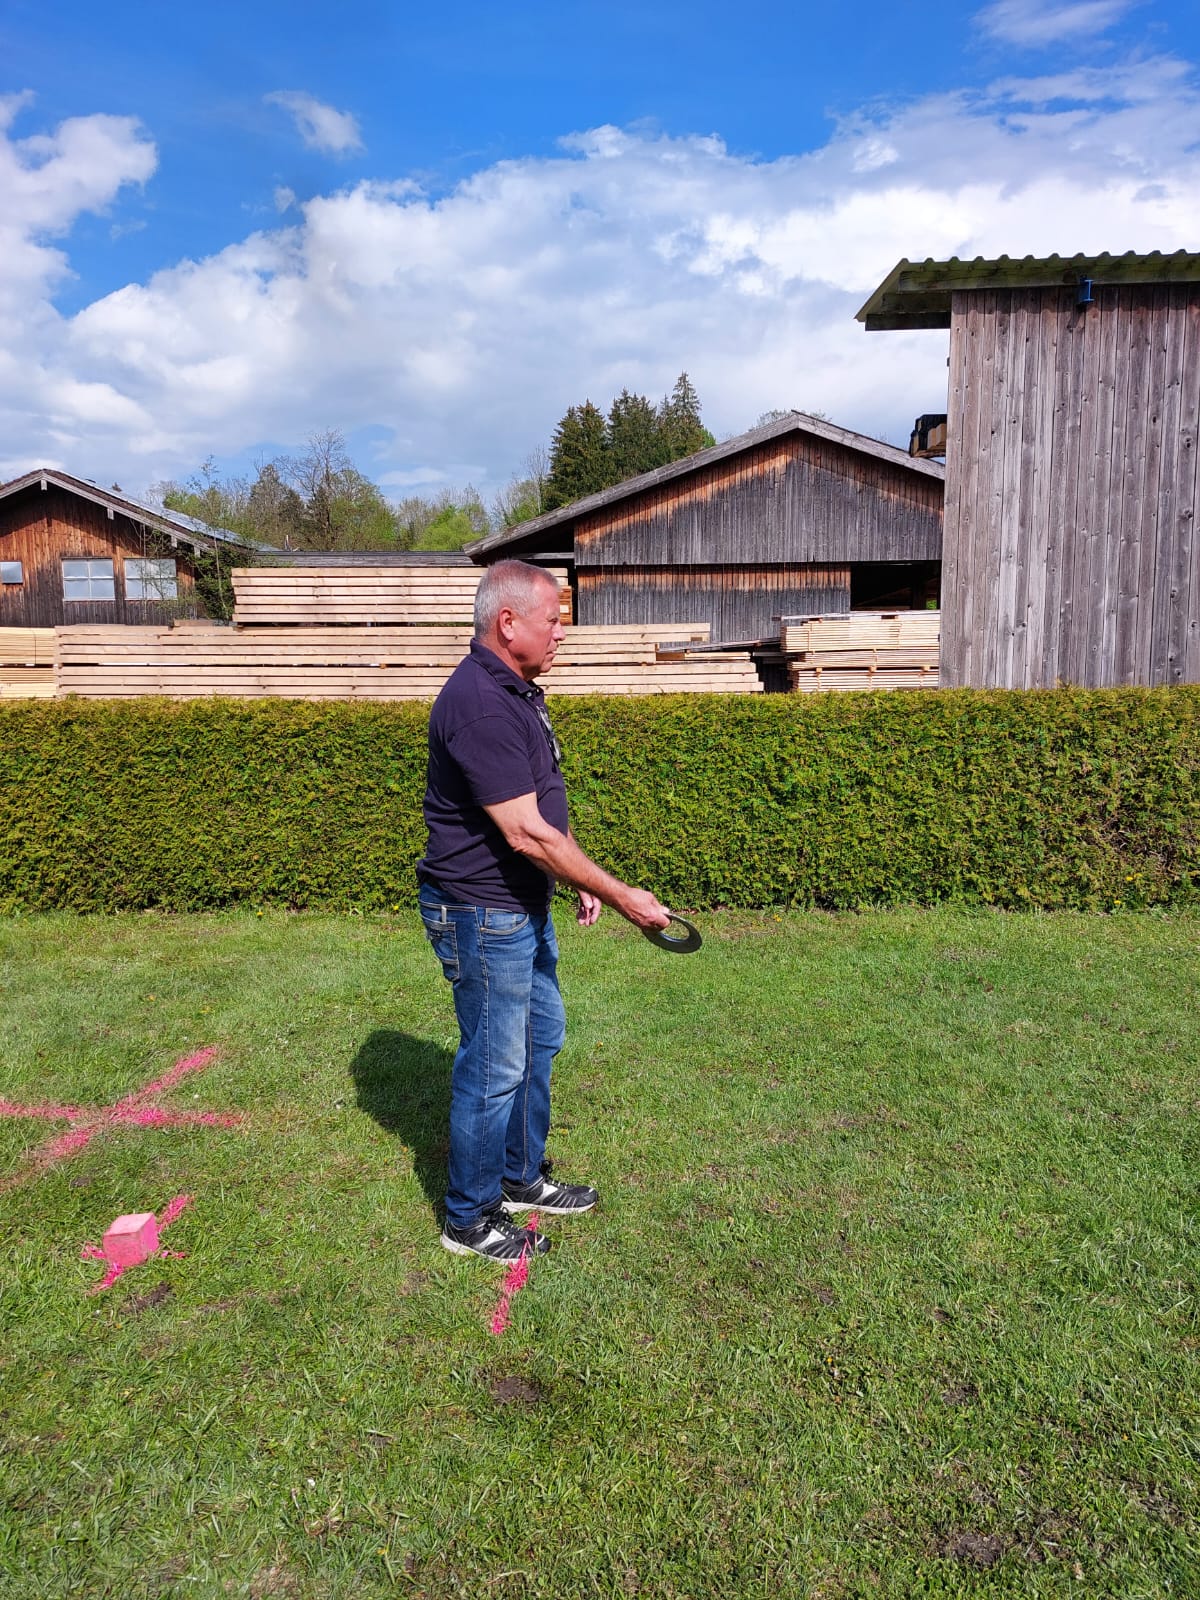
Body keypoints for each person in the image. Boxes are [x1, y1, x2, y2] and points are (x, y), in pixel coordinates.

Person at [417, 559, 671, 1261]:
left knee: (538, 1040)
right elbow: (525, 832)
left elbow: (541, 805)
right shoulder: (479, 703)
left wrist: (576, 874)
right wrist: (621, 895)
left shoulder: (515, 690)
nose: (562, 632)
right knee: (494, 1064)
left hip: (518, 903)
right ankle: (469, 1219)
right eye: (553, 620)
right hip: (481, 912)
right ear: (508, 623)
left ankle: (519, 1177)